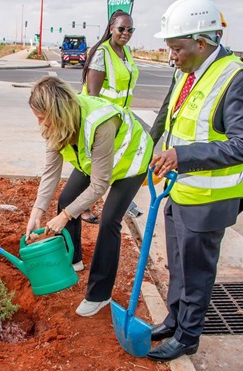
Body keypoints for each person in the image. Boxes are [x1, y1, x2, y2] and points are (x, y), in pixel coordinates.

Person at [146, 0, 243, 361]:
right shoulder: (187, 70)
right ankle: (174, 319)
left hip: (212, 199)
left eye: (177, 48)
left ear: (202, 41)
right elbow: (168, 116)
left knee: (196, 274)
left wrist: (184, 156)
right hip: (181, 190)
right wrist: (147, 151)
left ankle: (188, 336)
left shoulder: (237, 78)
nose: (172, 56)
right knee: (177, 266)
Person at [26, 76, 153, 316]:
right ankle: (73, 259)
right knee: (67, 198)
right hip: (96, 161)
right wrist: (37, 211)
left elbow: (99, 185)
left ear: (58, 112)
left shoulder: (100, 123)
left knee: (109, 221)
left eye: (43, 118)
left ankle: (99, 295)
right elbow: (51, 172)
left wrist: (64, 217)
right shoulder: (55, 127)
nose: (41, 125)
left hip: (130, 161)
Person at [80, 10, 140, 224]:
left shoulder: (127, 52)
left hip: (120, 119)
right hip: (103, 120)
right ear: (111, 28)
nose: (126, 33)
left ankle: (116, 202)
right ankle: (83, 207)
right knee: (95, 164)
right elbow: (93, 96)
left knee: (113, 161)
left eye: (130, 29)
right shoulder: (101, 54)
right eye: (121, 29)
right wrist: (99, 125)